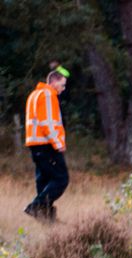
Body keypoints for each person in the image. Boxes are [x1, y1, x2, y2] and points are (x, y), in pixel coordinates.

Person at [23, 63, 70, 222]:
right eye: (62, 85)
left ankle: (47, 219)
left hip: (35, 144)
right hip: (46, 145)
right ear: (54, 82)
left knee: (44, 180)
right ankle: (35, 207)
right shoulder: (49, 95)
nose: (63, 88)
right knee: (61, 179)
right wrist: (58, 143)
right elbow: (48, 123)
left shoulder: (34, 95)